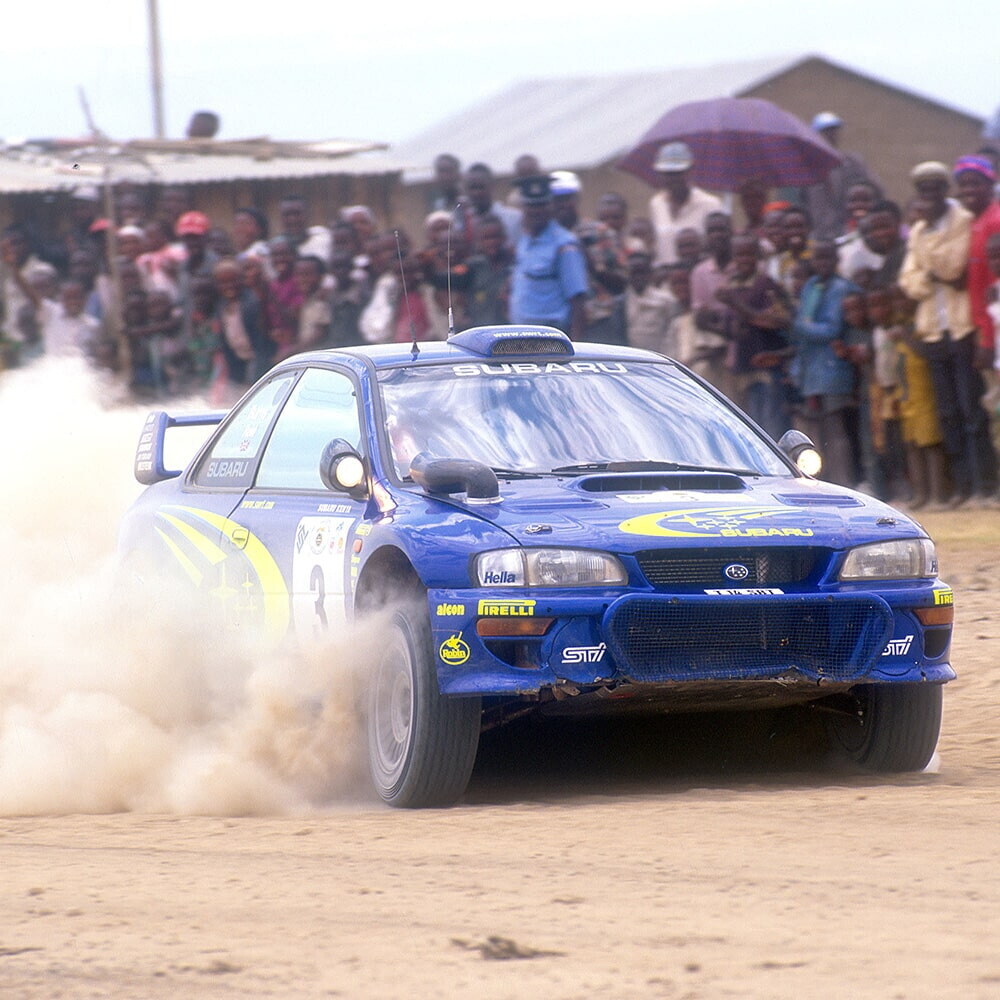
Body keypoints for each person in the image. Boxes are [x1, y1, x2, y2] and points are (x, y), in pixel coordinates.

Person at [898, 161, 998, 506]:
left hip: (963, 327)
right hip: (932, 331)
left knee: (972, 412)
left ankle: (985, 486)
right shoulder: (918, 228)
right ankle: (962, 488)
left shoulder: (963, 221)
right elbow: (909, 283)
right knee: (947, 415)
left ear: (944, 190)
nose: (929, 195)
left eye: (935, 188)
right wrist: (930, 274)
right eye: (922, 190)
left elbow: (955, 268)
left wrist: (928, 260)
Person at [788, 240, 858, 485]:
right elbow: (805, 326)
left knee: (836, 428)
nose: (823, 263)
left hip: (832, 368)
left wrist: (794, 325)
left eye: (827, 258)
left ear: (836, 260)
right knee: (818, 431)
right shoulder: (811, 286)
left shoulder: (841, 288)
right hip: (812, 370)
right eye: (818, 258)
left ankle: (844, 482)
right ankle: (824, 482)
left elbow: (831, 329)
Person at [509, 174, 588, 338]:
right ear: (523, 208)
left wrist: (574, 346)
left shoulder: (564, 245)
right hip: (521, 335)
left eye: (541, 206)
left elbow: (578, 301)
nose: (536, 212)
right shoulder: (525, 239)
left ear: (550, 207)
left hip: (551, 337)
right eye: (531, 206)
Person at [953, 156, 1000, 370]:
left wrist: (988, 341)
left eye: (975, 183)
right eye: (963, 185)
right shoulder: (973, 221)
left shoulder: (995, 221)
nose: (968, 190)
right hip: (981, 325)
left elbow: (994, 286)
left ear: (990, 184)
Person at [803, 111, 880, 241]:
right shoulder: (807, 168)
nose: (831, 135)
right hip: (820, 235)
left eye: (833, 131)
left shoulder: (852, 163)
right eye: (826, 131)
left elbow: (876, 190)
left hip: (851, 234)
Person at [648, 141, 722, 268]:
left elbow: (717, 247)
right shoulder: (656, 204)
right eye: (667, 174)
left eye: (677, 173)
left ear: (689, 171)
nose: (672, 179)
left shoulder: (711, 204)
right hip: (666, 277)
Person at [624, 249, 675, 353]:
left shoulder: (666, 300)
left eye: (642, 272)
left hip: (658, 356)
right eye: (634, 273)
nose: (638, 277)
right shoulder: (621, 303)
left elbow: (673, 333)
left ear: (650, 273)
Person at [459, 163, 521, 248]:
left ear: (492, 186)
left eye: (481, 187)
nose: (476, 193)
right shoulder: (462, 220)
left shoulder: (514, 218)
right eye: (472, 188)